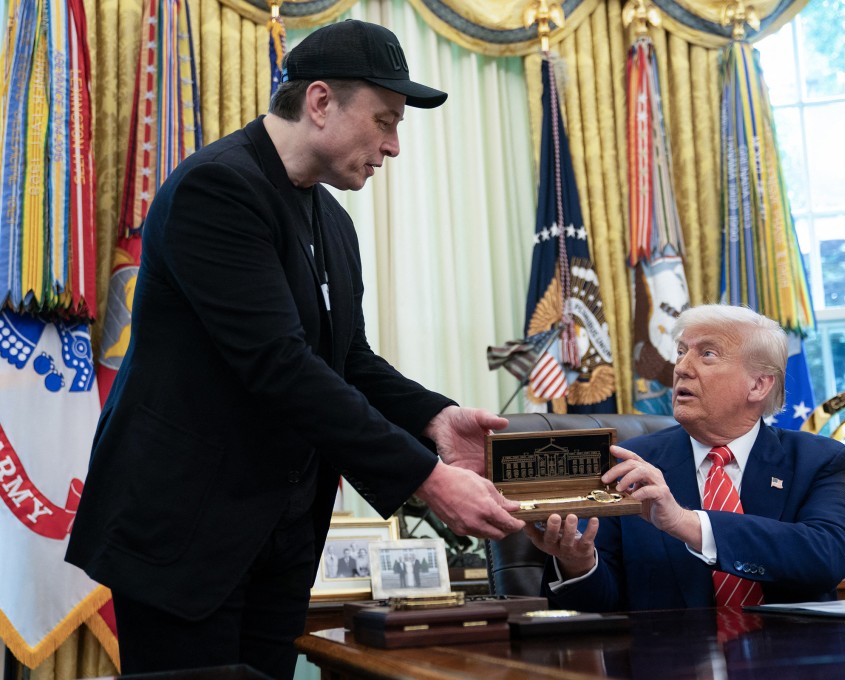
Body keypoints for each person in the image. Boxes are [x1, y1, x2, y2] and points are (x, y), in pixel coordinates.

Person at [64, 19, 524, 679]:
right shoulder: (216, 190)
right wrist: (424, 477)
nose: (394, 146)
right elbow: (279, 366)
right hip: (184, 539)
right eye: (385, 121)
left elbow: (349, 360)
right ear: (318, 103)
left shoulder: (331, 219)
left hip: (278, 540)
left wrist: (433, 418)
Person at [525, 304, 845, 611]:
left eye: (708, 354)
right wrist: (578, 565)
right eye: (682, 352)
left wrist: (687, 524)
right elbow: (601, 608)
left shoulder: (816, 460)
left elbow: (831, 556)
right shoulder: (628, 464)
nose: (682, 368)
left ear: (759, 385)